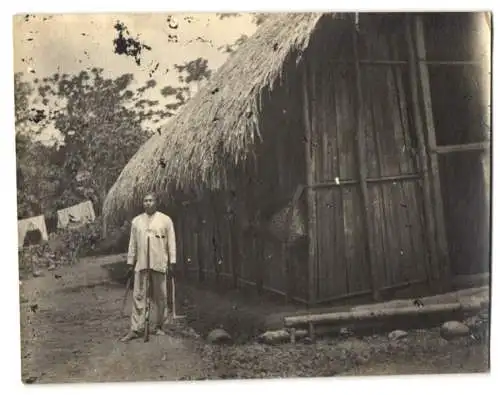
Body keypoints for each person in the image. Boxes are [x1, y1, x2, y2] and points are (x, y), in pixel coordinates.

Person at [120, 192, 177, 342]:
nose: (148, 203)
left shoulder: (165, 220)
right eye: (145, 201)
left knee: (161, 295)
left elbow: (171, 242)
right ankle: (136, 328)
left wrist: (172, 261)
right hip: (142, 263)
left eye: (151, 200)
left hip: (159, 262)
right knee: (139, 295)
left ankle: (159, 326)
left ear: (156, 202)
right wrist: (130, 263)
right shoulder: (137, 221)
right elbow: (132, 244)